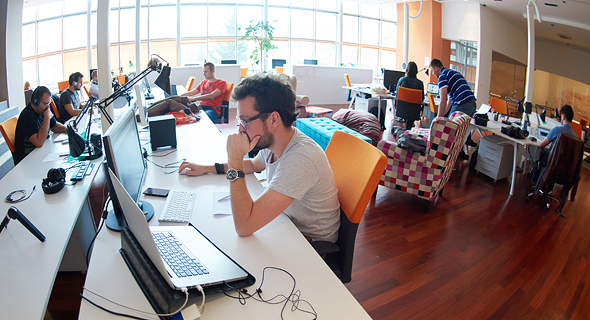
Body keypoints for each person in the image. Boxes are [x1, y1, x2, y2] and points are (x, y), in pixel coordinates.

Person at [178, 73, 341, 242]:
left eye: (245, 121)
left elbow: (244, 226)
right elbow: (254, 165)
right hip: (287, 224)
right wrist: (207, 168)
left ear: (273, 119)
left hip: (310, 246)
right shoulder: (274, 141)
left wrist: (235, 159)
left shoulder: (301, 157)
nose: (241, 130)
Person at [14, 86, 67, 165]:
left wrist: (66, 129)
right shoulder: (27, 116)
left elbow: (54, 126)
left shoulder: (43, 110)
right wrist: (46, 117)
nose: (48, 107)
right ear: (36, 102)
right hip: (28, 159)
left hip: (41, 152)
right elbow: (39, 142)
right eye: (45, 104)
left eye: (49, 103)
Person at [532, 104, 578, 182]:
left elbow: (542, 144)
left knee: (541, 153)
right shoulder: (576, 138)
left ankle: (536, 181)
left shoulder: (557, 130)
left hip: (551, 164)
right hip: (564, 170)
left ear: (563, 117)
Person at [395, 61, 424, 130]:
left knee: (407, 113)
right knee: (411, 114)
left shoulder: (401, 80)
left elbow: (397, 96)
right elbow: (421, 99)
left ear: (406, 70)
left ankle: (407, 128)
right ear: (416, 71)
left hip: (402, 109)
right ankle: (408, 128)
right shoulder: (420, 83)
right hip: (414, 111)